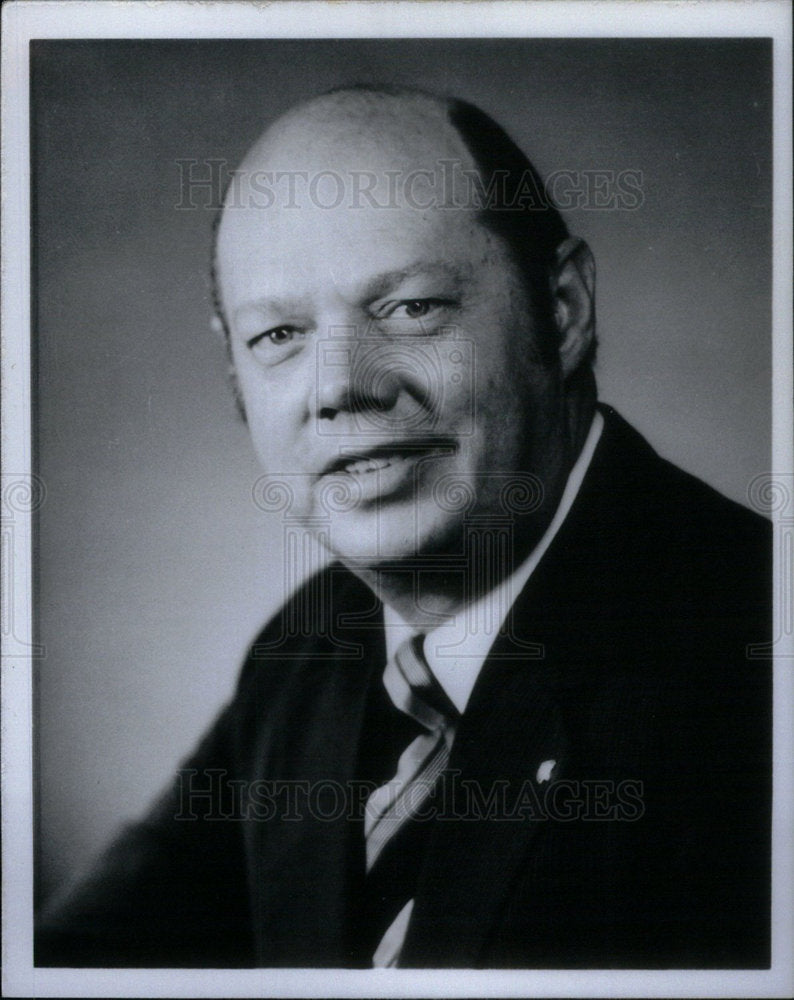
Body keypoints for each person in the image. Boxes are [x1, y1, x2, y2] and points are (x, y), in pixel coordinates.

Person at [36, 85, 771, 969]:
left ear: (564, 310)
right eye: (278, 335)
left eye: (411, 306)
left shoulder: (754, 658)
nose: (342, 385)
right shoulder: (302, 662)